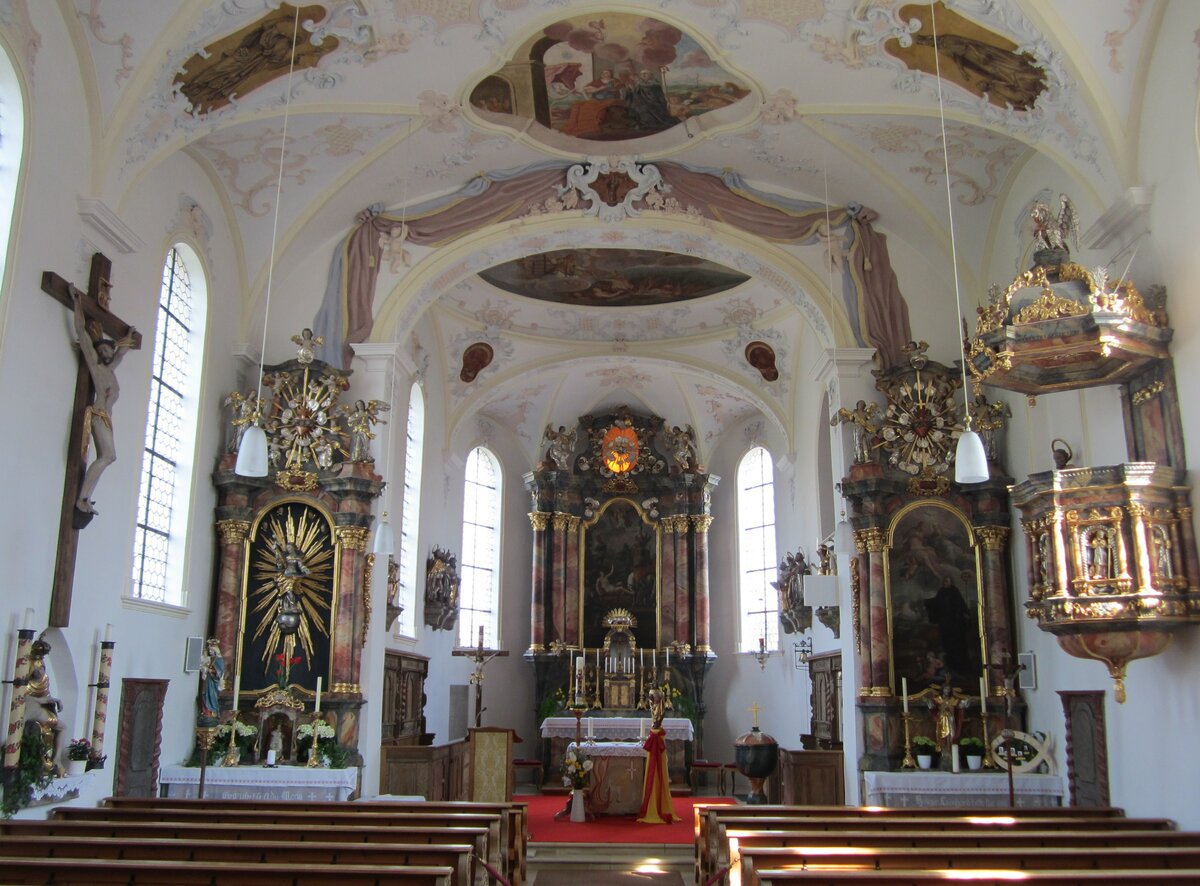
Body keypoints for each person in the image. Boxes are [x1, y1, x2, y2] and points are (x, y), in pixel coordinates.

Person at [72, 287, 136, 515]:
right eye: (105, 350)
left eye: (110, 349)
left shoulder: (110, 370)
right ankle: (82, 498)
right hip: (98, 414)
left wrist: (129, 336)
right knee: (109, 456)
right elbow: (81, 330)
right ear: (98, 352)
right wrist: (76, 302)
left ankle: (86, 498)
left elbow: (121, 352)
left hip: (106, 418)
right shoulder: (97, 368)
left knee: (109, 457)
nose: (109, 353)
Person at [198, 637, 225, 724]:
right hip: (208, 681)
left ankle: (211, 712)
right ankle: (206, 712)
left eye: (211, 651)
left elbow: (219, 673)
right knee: (206, 695)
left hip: (213, 683)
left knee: (212, 696)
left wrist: (211, 671)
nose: (210, 652)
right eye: (209, 651)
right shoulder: (211, 659)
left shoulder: (219, 660)